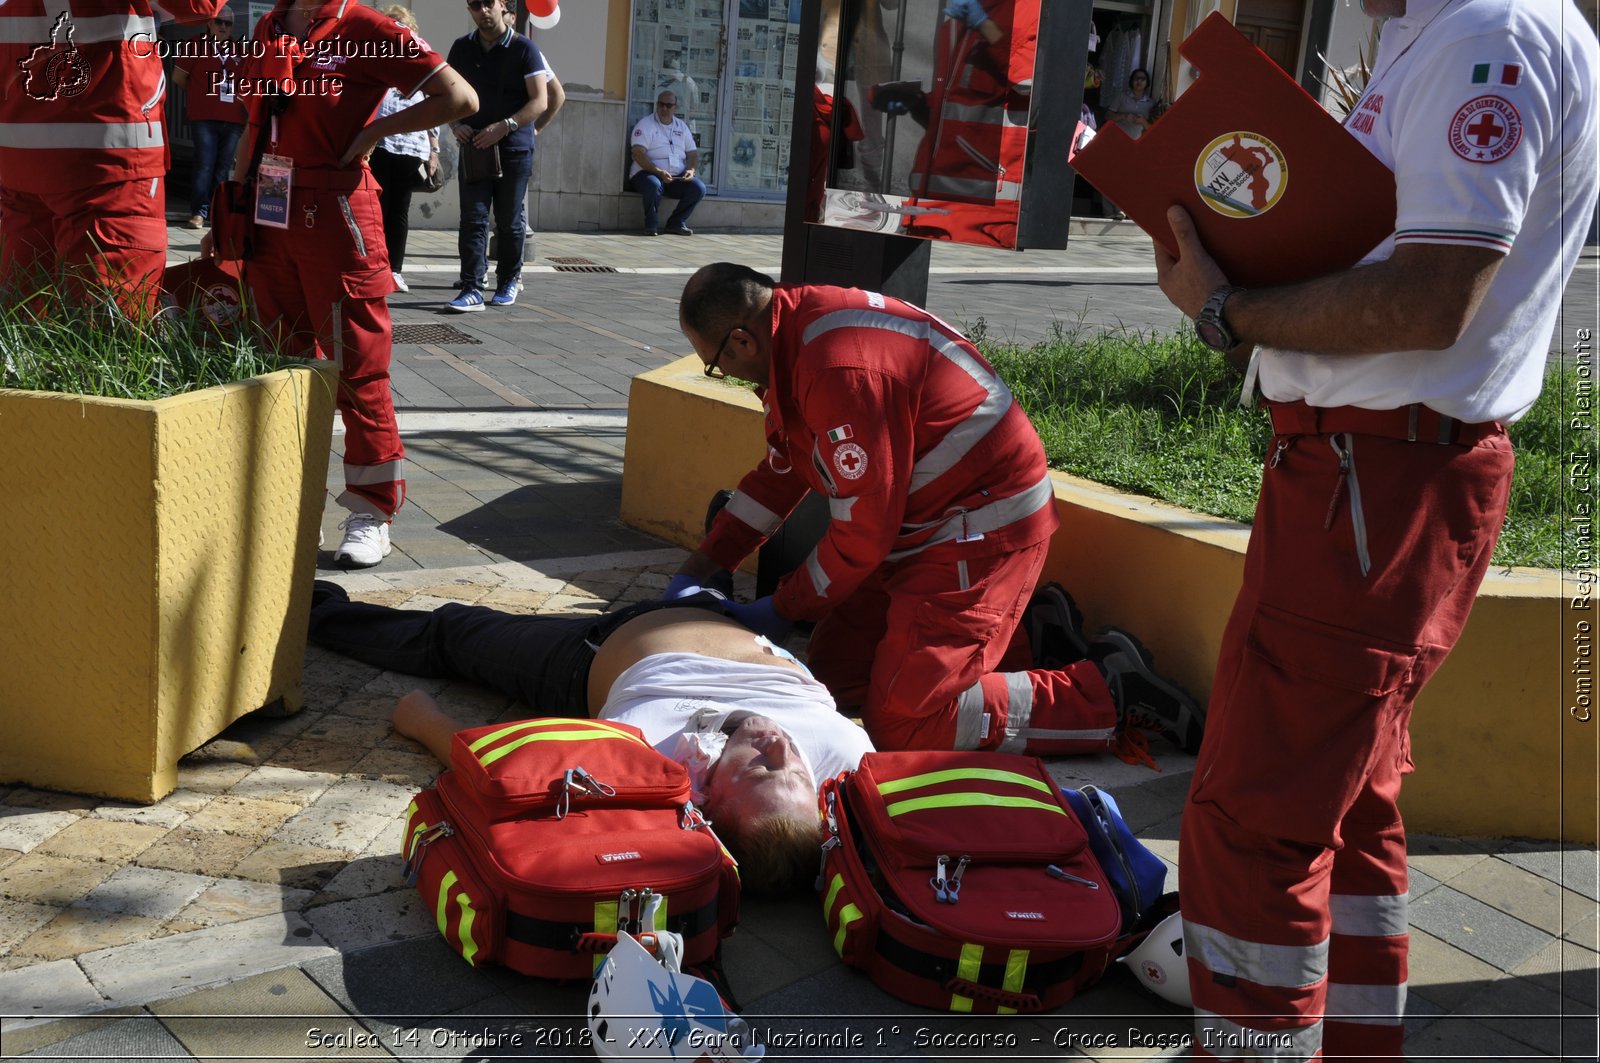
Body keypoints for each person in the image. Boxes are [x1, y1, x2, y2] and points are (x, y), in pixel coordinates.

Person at [1149, 1, 1597, 1058]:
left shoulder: (1484, 33)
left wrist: (1226, 309)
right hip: (1370, 469)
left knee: (1253, 818)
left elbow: (1431, 298)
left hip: (1375, 478)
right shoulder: (1446, 30)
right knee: (1345, 804)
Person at [669, 262, 1203, 760]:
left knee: (906, 720)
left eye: (718, 366)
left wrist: (784, 607)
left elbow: (863, 537)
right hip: (929, 525)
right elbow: (781, 475)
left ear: (741, 339)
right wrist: (702, 566)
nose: (729, 375)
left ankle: (1107, 692)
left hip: (977, 531)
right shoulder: (796, 339)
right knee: (829, 680)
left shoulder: (836, 368)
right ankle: (1027, 640)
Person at [307, 581, 874, 896]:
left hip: (596, 650)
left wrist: (424, 720)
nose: (779, 747)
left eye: (759, 769)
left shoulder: (646, 762)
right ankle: (708, 568)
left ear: (706, 802)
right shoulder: (844, 760)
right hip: (723, 615)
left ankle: (311, 606)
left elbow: (500, 770)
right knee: (710, 577)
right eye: (796, 771)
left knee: (453, 632)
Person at [215, 0, 477, 568]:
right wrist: (233, 201)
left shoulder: (366, 28)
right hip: (269, 208)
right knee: (279, 365)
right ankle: (290, 504)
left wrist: (376, 131)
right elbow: (257, 123)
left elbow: (460, 98)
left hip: (337, 212)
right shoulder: (267, 24)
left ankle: (371, 510)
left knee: (357, 369)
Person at [0, 0, 227, 316]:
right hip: (108, 163)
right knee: (108, 339)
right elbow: (198, 6)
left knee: (24, 327)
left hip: (21, 155)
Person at [444, 0, 548, 312]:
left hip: (513, 148)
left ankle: (508, 280)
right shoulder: (462, 48)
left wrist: (507, 126)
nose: (482, 10)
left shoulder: (525, 49)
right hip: (475, 147)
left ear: (502, 5)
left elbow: (540, 100)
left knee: (509, 221)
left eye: (488, 3)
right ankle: (472, 288)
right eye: (475, 5)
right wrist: (456, 124)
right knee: (473, 219)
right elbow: (448, 93)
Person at [367, 6, 439, 295]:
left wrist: (434, 150)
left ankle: (394, 270)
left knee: (398, 211)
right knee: (373, 210)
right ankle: (374, 267)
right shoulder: (374, 59)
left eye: (402, 26)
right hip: (379, 144)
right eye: (392, 25)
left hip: (410, 147)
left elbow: (436, 106)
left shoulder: (420, 60)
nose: (397, 30)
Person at [173, 7, 248, 231]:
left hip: (234, 119)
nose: (223, 27)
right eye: (219, 22)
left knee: (223, 168)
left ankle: (218, 212)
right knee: (205, 164)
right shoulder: (195, 45)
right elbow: (178, 78)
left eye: (228, 23)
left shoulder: (240, 50)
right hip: (204, 117)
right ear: (209, 24)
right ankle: (198, 212)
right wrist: (200, 95)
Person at [628, 92, 705, 237]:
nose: (664, 108)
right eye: (661, 104)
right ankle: (651, 224)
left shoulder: (681, 126)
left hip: (676, 176)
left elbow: (693, 154)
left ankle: (676, 223)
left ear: (675, 107)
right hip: (647, 173)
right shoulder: (646, 124)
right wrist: (658, 171)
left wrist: (691, 170)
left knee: (698, 188)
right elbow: (637, 153)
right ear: (657, 105)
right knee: (653, 185)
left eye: (669, 105)